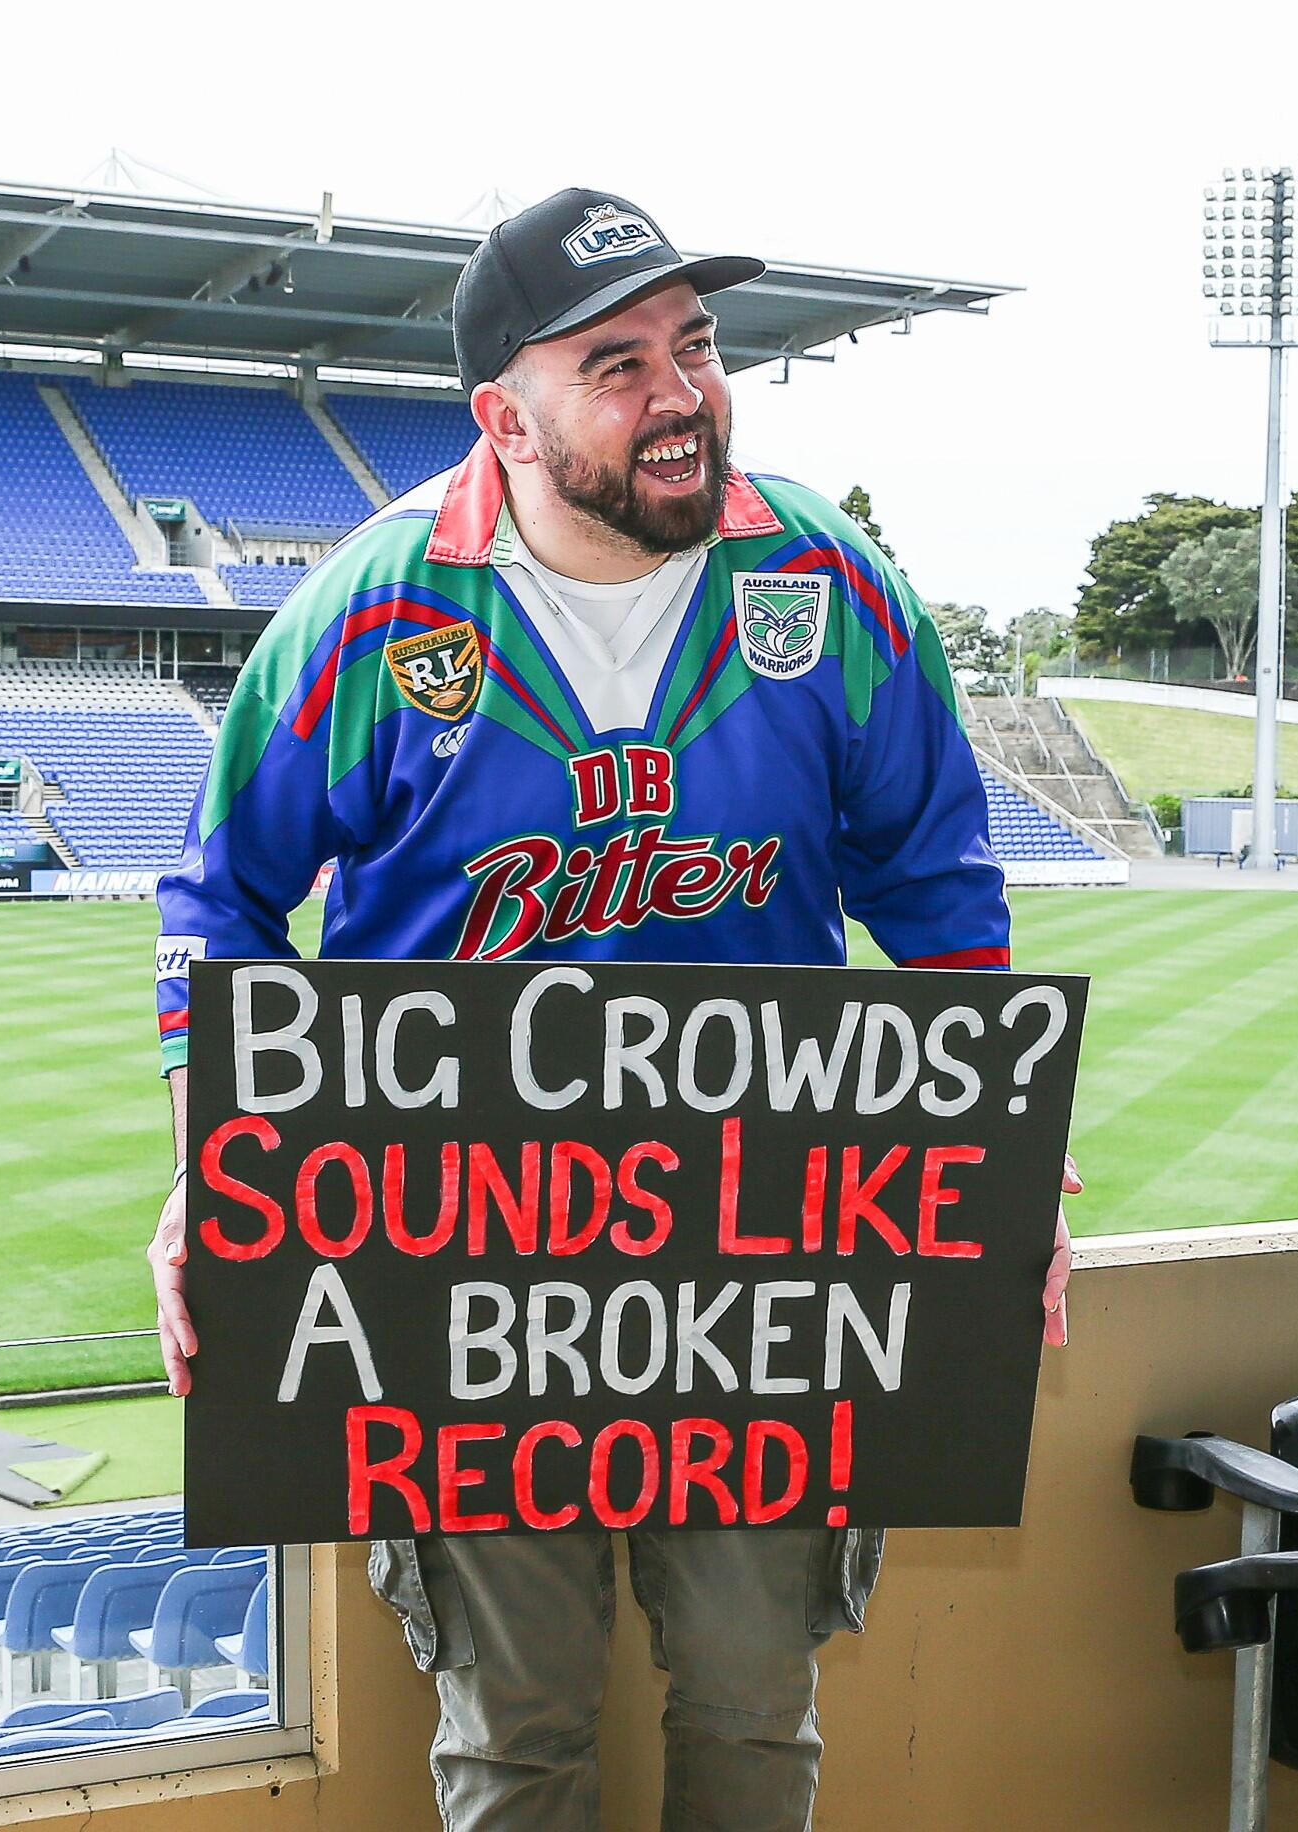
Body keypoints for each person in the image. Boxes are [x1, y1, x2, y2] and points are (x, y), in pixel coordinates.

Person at [144, 187, 1075, 1831]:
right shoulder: (365, 617)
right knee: (515, 1735)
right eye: (619, 361)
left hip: (762, 1251)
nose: (683, 391)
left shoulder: (833, 586)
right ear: (505, 413)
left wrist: (989, 1164)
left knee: (752, 1706)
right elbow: (221, 905)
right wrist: (218, 1168)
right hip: (462, 1255)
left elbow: (936, 886)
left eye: (697, 346)